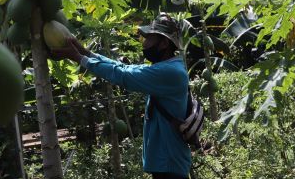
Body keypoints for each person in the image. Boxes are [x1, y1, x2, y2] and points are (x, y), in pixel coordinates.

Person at [51, 13, 192, 179]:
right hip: (165, 160)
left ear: (164, 43)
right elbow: (124, 68)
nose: (144, 43)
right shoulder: (167, 66)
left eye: (149, 38)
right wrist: (84, 52)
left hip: (169, 162)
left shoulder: (170, 72)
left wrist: (77, 57)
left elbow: (123, 76)